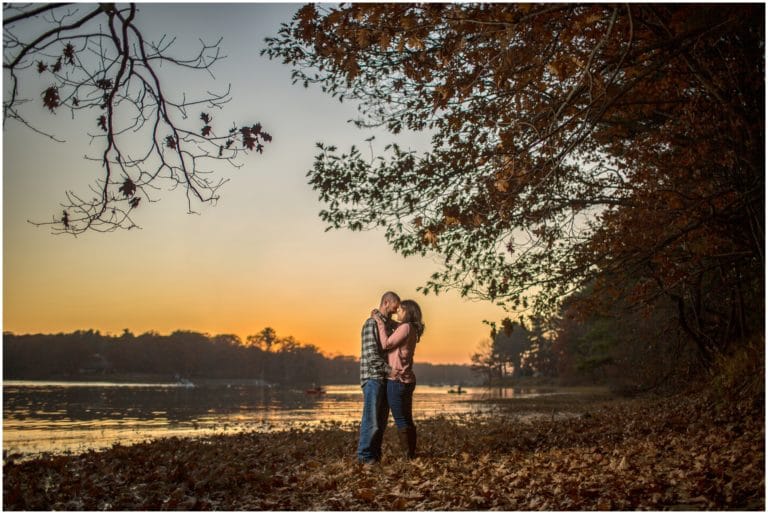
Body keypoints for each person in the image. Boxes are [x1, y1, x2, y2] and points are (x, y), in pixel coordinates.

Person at [372, 299, 424, 459]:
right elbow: (396, 327)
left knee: (400, 419)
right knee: (407, 418)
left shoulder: (405, 327)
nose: (397, 312)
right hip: (408, 380)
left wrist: (379, 323)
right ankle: (412, 454)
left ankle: (408, 456)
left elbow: (386, 344)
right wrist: (386, 320)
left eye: (400, 310)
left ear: (408, 312)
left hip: (397, 380)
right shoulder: (411, 328)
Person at [357, 291, 400, 464]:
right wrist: (389, 370)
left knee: (381, 422)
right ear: (386, 302)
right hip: (373, 378)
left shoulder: (388, 326)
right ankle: (365, 458)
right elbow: (371, 355)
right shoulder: (370, 324)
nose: (397, 309)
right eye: (395, 305)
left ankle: (375, 457)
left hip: (385, 379)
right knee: (371, 420)